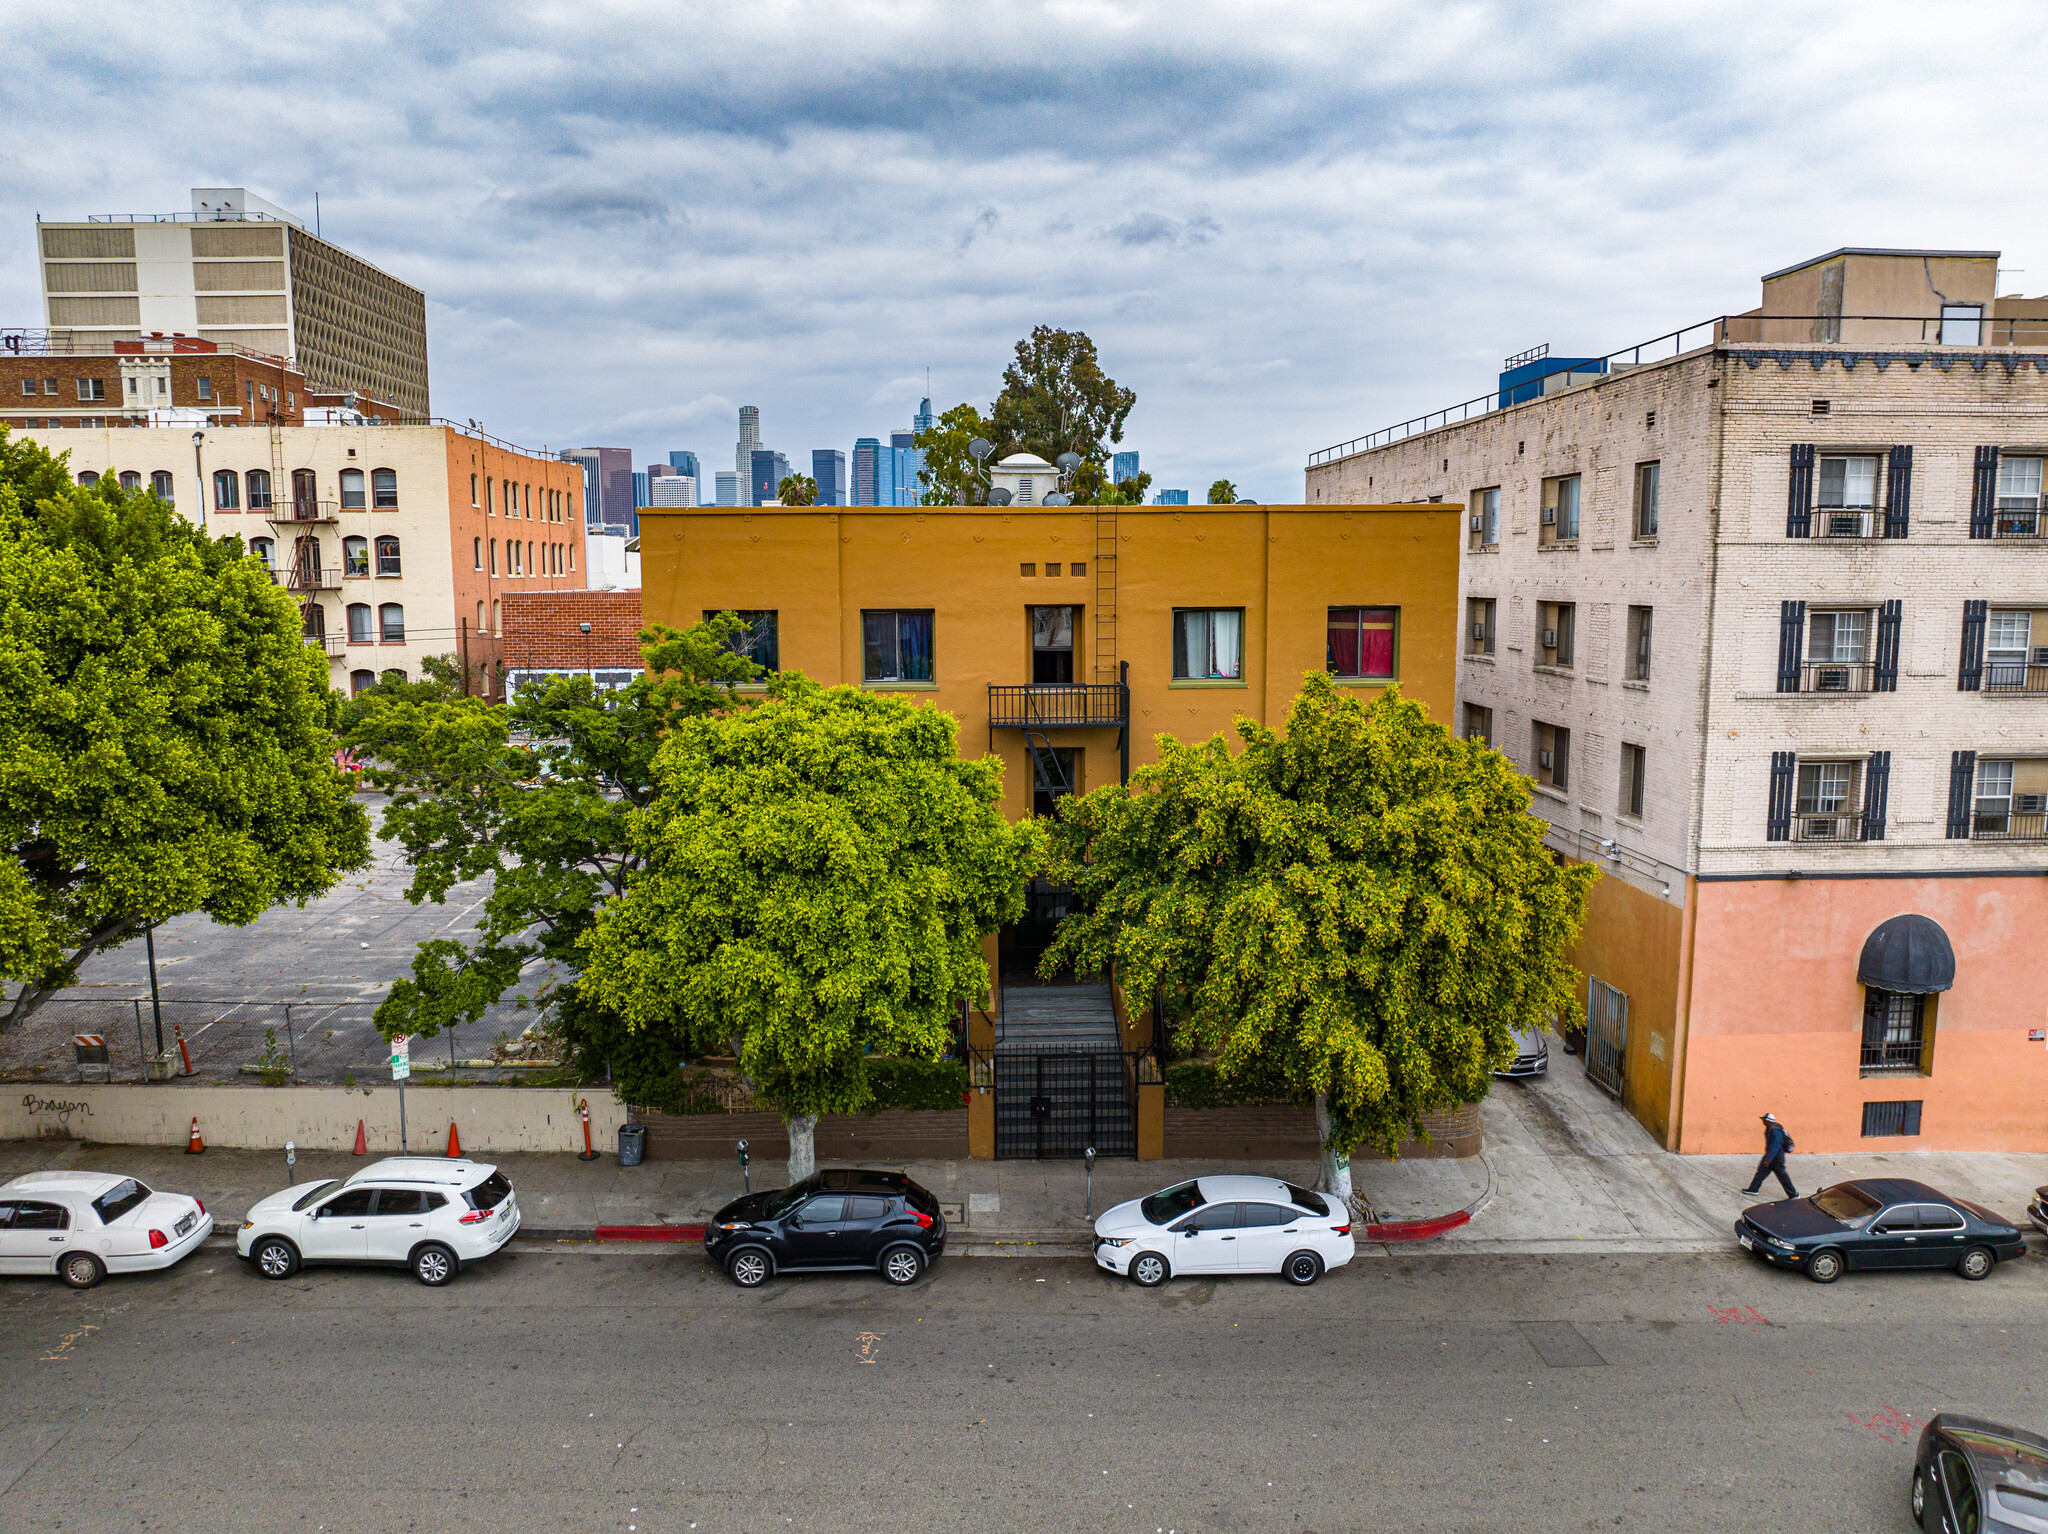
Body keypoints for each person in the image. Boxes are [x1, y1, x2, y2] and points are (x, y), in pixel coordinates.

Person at [1743, 1112, 1797, 1198]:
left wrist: (1768, 1159)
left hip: (1776, 1158)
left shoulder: (1775, 1131)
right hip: (1771, 1156)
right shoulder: (1770, 1128)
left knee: (1782, 1176)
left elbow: (1775, 1146)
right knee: (1760, 1173)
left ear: (1768, 1121)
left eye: (1764, 1120)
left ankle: (1793, 1194)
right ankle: (1753, 1189)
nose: (1763, 1122)